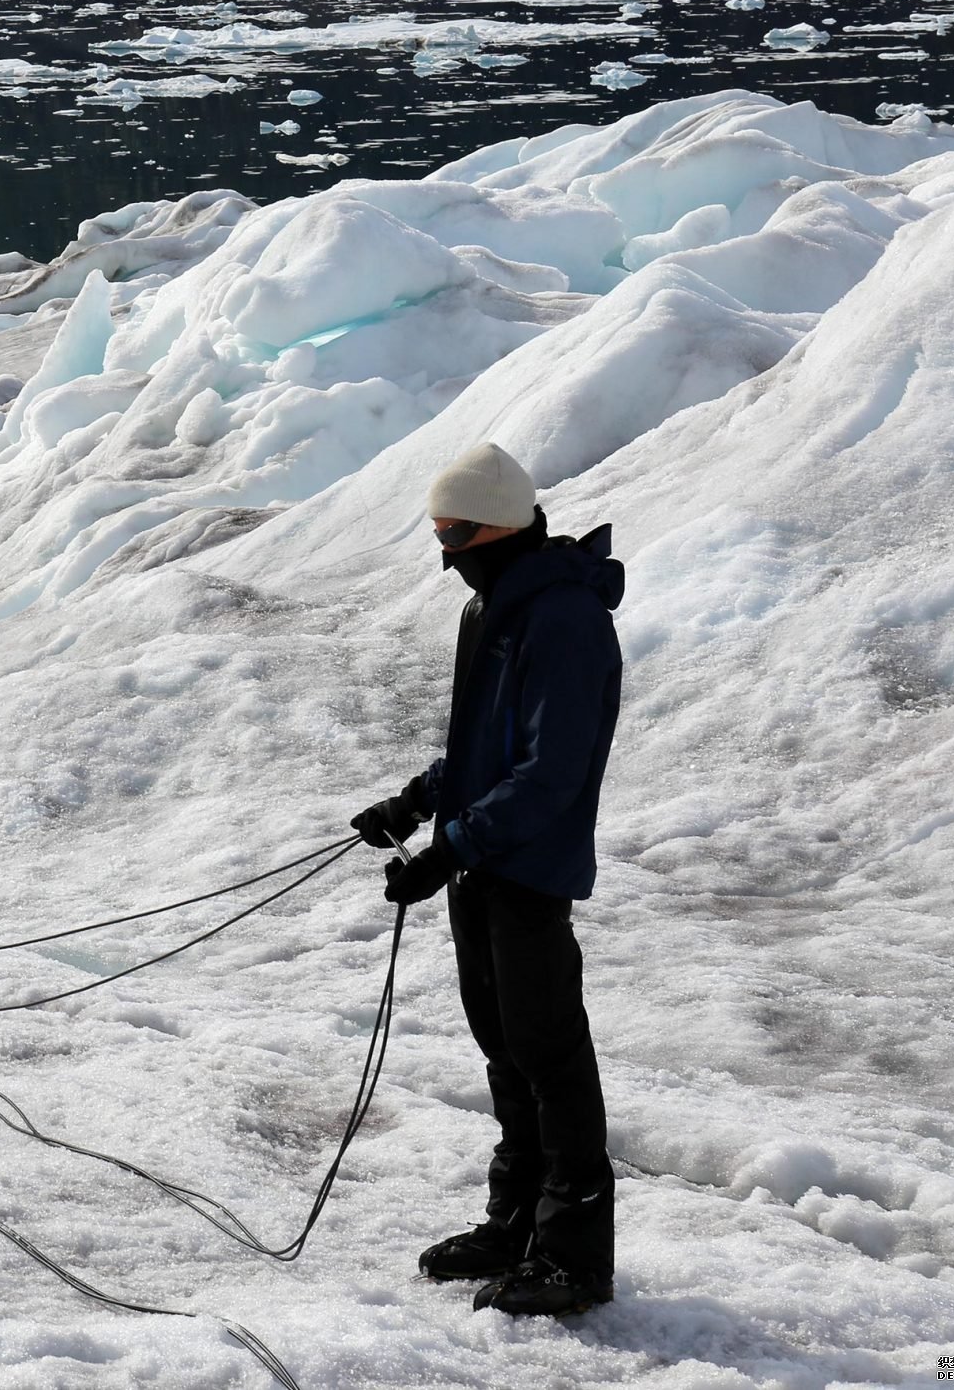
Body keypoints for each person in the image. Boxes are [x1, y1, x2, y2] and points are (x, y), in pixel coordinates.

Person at [353, 441, 624, 1318]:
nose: (444, 554)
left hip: (529, 868)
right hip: (480, 861)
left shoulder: (564, 620)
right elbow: (482, 745)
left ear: (497, 529)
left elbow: (551, 770)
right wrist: (415, 802)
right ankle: (514, 1225)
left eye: (454, 534)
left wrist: (451, 843)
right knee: (505, 1050)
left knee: (551, 1058)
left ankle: (574, 1257)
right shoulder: (493, 607)